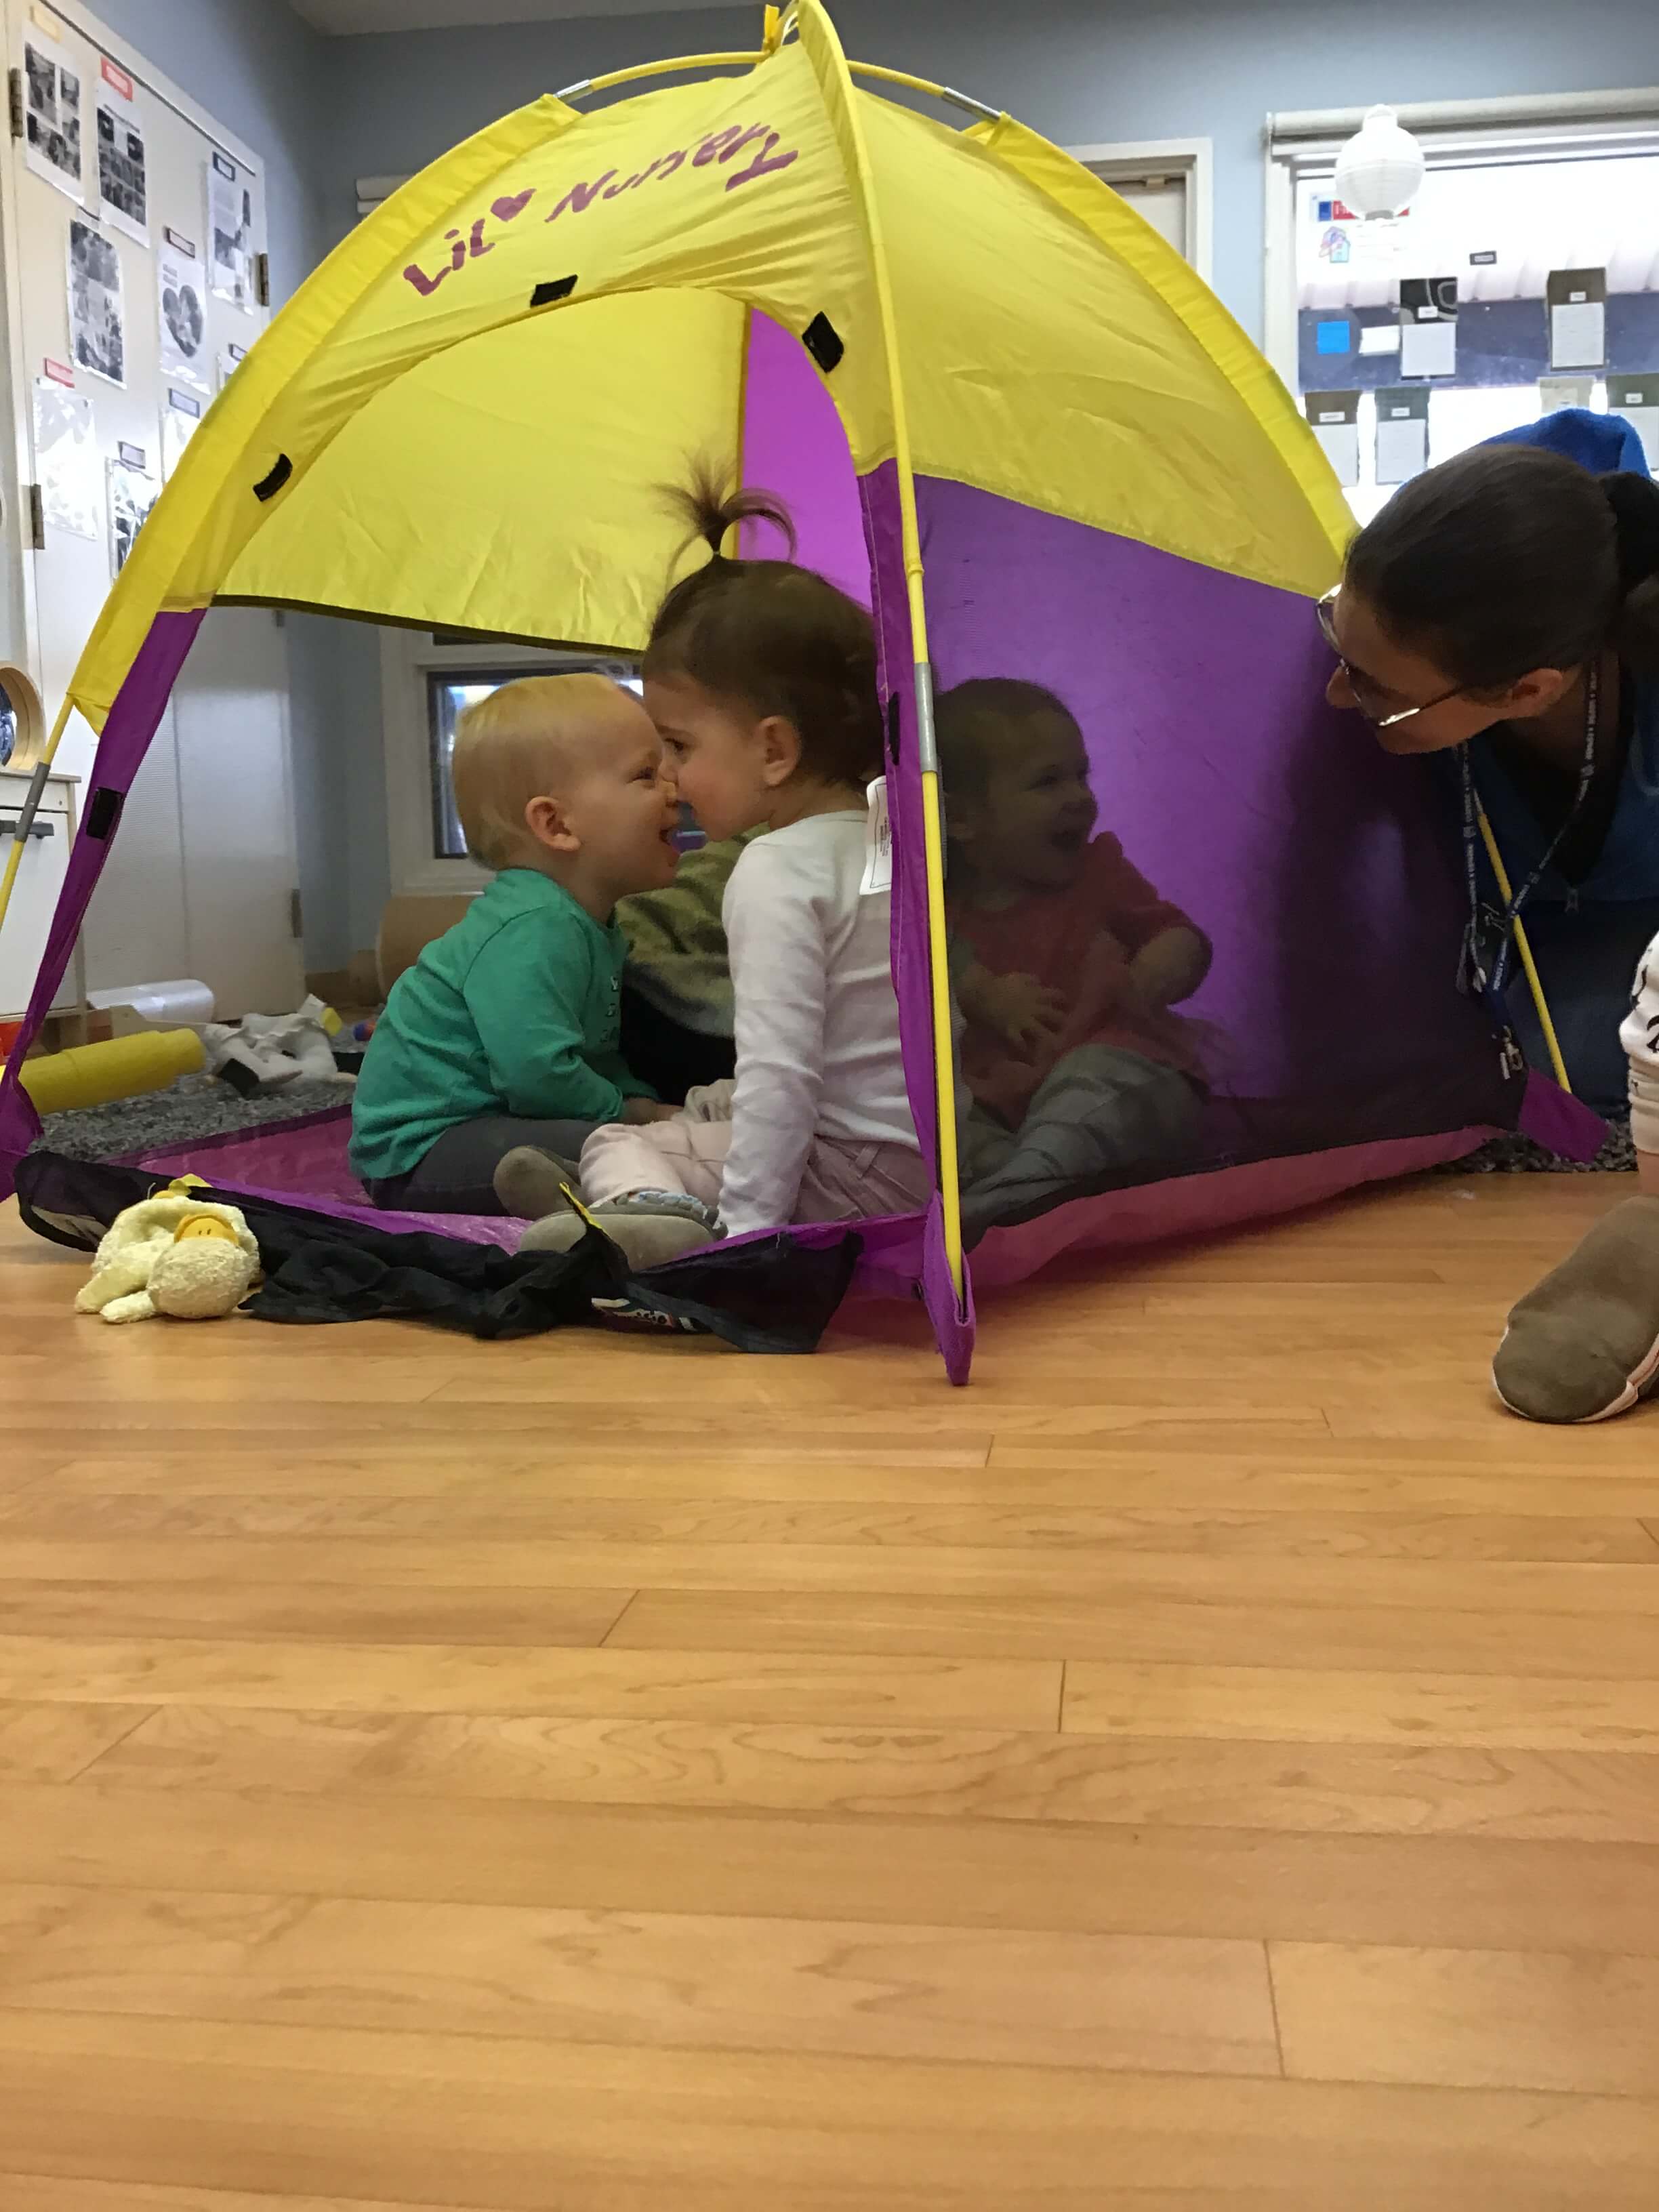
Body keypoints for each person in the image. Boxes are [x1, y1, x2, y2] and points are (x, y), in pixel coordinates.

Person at [495, 477, 928, 1269]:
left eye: (681, 747)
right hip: (921, 1166)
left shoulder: (771, 870)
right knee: (683, 1130)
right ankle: (623, 1196)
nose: (669, 777)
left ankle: (643, 1213)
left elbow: (782, 1078)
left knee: (622, 1137)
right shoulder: (895, 842)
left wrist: (748, 1238)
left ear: (773, 750)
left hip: (843, 1174)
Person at [1320, 441, 1659, 1110]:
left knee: (1580, 1070)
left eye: (1376, 688)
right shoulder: (1427, 663)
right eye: (1334, 636)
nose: (1334, 694)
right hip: (1499, 973)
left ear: (1528, 693)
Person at [350, 673, 680, 1214]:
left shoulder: (587, 921)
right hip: (422, 1151)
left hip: (494, 1123)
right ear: (555, 823)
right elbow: (537, 1074)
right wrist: (635, 1114)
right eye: (646, 775)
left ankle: (565, 1191)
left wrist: (645, 1102)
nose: (675, 790)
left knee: (636, 1140)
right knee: (625, 1146)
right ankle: (596, 1201)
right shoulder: (537, 926)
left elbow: (592, 1054)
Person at [936, 678, 1211, 1233]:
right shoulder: (943, 907)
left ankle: (1021, 1194)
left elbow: (1179, 934)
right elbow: (930, 967)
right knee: (947, 1122)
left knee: (1094, 1082)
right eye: (1047, 781)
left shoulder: (1098, 872)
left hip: (1124, 1070)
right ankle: (1019, 1189)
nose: (1078, 797)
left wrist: (1159, 968)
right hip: (1004, 1103)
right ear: (963, 819)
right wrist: (983, 992)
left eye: (1081, 774)